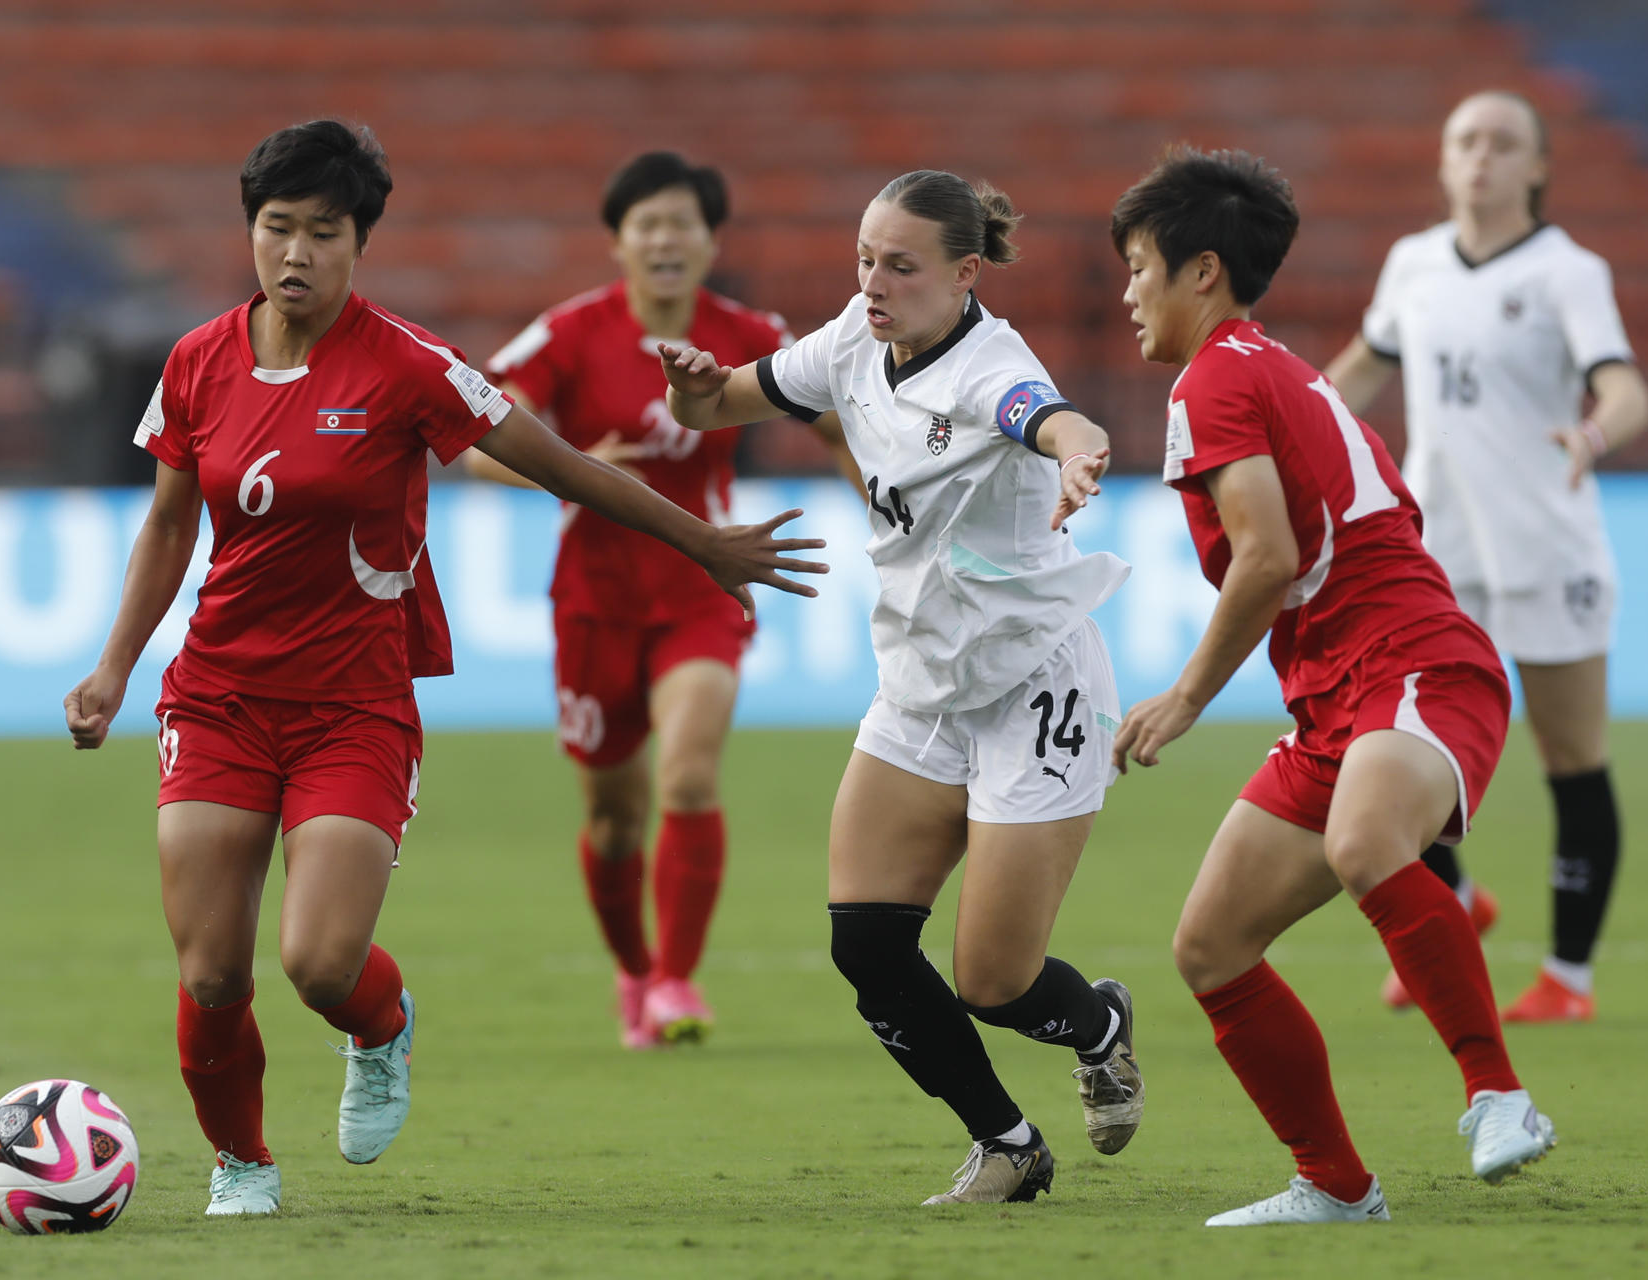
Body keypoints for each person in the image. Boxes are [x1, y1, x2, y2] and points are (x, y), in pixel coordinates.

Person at [61, 121, 826, 1218]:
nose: (297, 252)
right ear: (251, 231)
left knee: (322, 963)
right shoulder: (198, 360)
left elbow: (557, 462)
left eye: (325, 232)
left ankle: (382, 1028)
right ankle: (242, 1162)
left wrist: (701, 539)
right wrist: (112, 666)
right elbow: (171, 526)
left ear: (359, 244)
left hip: (352, 706)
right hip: (220, 696)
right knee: (213, 972)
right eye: (279, 228)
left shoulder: (409, 364)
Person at [659, 169, 1145, 1205]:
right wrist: (689, 382)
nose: (875, 282)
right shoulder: (849, 341)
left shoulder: (988, 366)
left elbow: (1051, 417)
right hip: (922, 687)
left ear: (965, 273)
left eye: (901, 266)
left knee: (994, 981)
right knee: (867, 943)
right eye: (864, 260)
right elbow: (712, 406)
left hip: (1030, 687)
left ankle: (1099, 1024)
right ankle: (1008, 1142)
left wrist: (1078, 451)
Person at [1109, 145, 1557, 1226]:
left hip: (1412, 658)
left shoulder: (1214, 375)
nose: (1128, 291)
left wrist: (1184, 695)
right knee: (1209, 944)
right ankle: (1336, 1185)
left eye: (1138, 266)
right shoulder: (1264, 362)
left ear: (1201, 269)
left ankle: (1500, 1095)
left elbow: (1263, 557)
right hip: (1336, 695)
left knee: (1367, 843)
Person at [469, 151, 862, 1049]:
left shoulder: (751, 328)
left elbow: (840, 416)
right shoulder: (567, 335)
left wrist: (884, 501)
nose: (666, 239)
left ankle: (677, 982)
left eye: (683, 223)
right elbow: (474, 448)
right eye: (647, 224)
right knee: (613, 821)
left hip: (703, 585)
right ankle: (635, 973)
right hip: (594, 600)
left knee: (687, 773)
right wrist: (575, 470)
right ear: (617, 242)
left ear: (711, 240)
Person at [1324, 90, 1648, 1022]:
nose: (1481, 157)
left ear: (1538, 169)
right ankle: (1458, 898)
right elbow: (1360, 371)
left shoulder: (1566, 271)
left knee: (1570, 757)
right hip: (1438, 552)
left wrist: (1592, 438)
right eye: (1464, 139)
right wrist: (1283, 422)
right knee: (1388, 738)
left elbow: (1626, 391)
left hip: (1548, 545)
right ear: (1441, 160)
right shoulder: (1413, 264)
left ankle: (1567, 982)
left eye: (1504, 144)